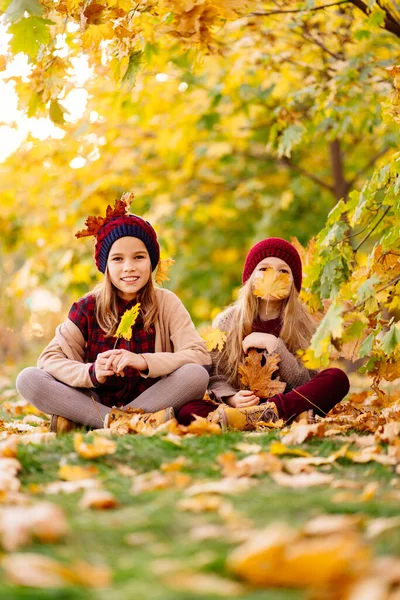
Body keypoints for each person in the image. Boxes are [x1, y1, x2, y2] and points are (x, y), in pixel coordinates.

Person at [16, 196, 211, 433]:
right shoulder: (88, 307)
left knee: (195, 374)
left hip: (150, 398)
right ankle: (117, 422)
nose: (129, 267)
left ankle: (103, 422)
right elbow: (48, 359)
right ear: (105, 266)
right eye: (118, 259)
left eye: (139, 257)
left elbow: (199, 355)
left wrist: (144, 362)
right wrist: (92, 372)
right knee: (28, 378)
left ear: (151, 262)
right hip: (95, 401)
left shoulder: (166, 303)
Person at [177, 238, 350, 430]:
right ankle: (277, 417)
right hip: (242, 406)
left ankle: (264, 415)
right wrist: (232, 398)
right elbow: (217, 376)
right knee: (187, 410)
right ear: (250, 278)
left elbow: (306, 382)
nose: (273, 276)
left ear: (294, 282)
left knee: (337, 378)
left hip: (286, 401)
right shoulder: (228, 321)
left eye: (283, 271)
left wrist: (275, 346)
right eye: (264, 269)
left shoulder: (304, 324)